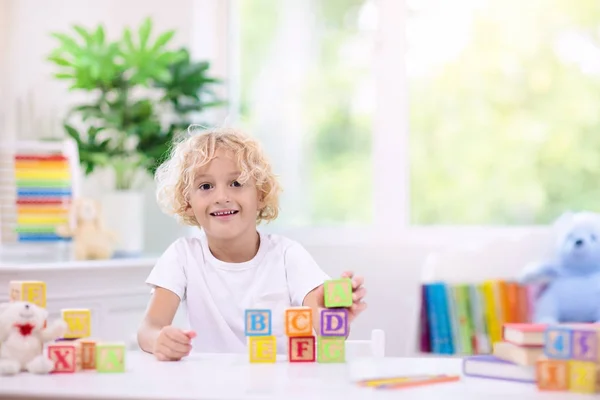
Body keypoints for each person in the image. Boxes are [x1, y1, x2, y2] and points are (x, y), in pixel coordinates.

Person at [137, 127, 367, 361]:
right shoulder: (183, 256)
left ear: (260, 194)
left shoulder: (288, 256)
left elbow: (326, 332)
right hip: (209, 387)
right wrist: (160, 341)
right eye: (206, 186)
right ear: (188, 202)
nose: (221, 197)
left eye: (236, 183)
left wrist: (333, 316)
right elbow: (149, 328)